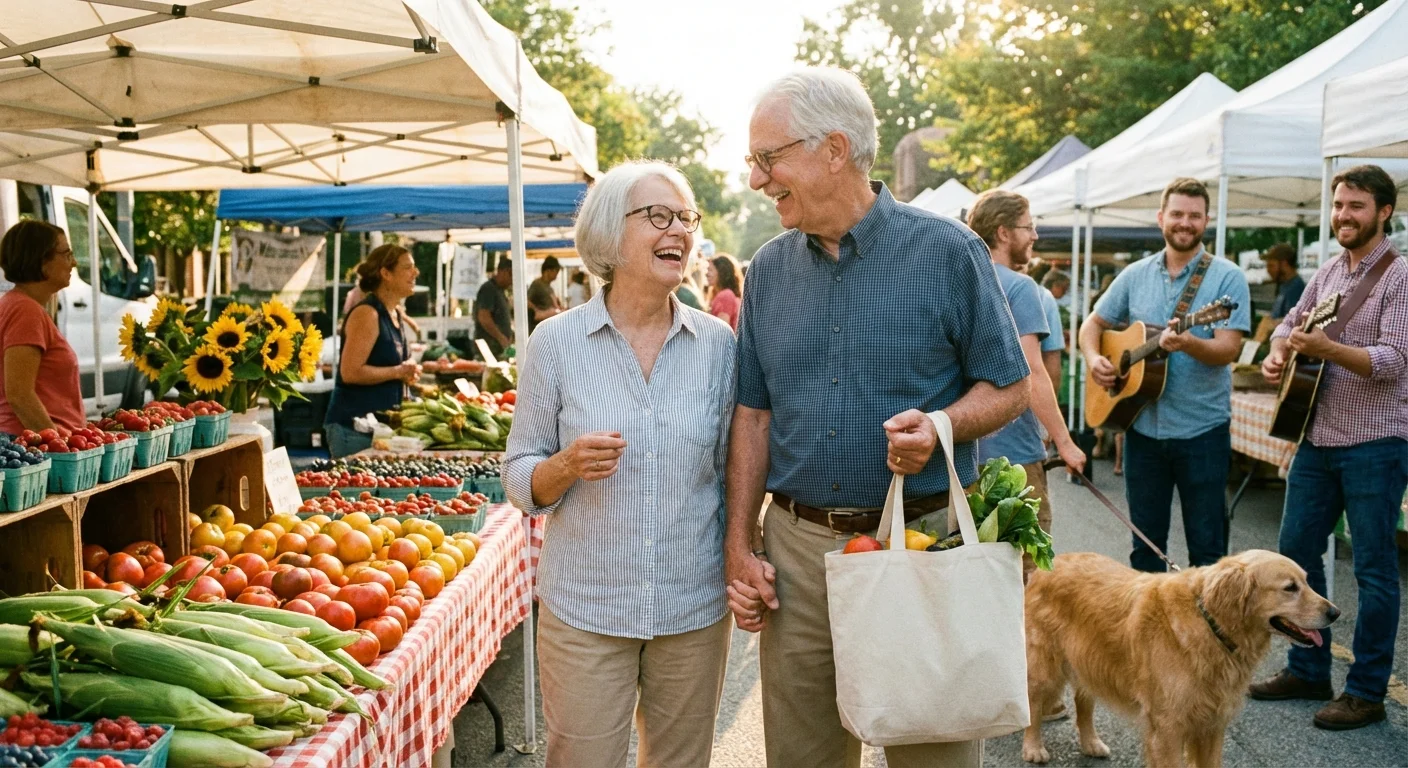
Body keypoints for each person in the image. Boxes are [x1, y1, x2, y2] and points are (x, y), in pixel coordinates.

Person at [724, 67, 1030, 768]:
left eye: (767, 159)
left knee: (934, 754)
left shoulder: (948, 252)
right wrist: (738, 545)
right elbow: (753, 417)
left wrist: (943, 427)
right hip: (800, 556)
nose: (754, 179)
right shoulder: (767, 270)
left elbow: (1010, 386)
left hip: (921, 543)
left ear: (834, 150)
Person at [502, 161, 736, 768]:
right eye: (658, 216)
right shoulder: (555, 343)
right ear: (610, 234)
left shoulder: (718, 344)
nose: (679, 231)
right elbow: (519, 476)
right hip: (587, 607)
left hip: (692, 608)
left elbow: (735, 469)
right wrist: (566, 465)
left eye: (686, 218)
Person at [1251, 165, 1407, 731]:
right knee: (1296, 557)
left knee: (1373, 569)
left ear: (1384, 211)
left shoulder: (1399, 277)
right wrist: (1277, 353)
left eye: (1357, 206)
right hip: (1316, 440)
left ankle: (1365, 692)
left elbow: (1393, 361)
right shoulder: (1327, 272)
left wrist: (1329, 348)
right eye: (1339, 204)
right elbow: (1288, 326)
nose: (1344, 215)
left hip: (1376, 443)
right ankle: (1308, 668)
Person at [1079, 177, 1251, 572]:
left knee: (1209, 555)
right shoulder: (1135, 274)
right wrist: (1094, 359)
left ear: (1206, 220)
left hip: (1201, 432)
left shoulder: (1227, 278)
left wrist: (1190, 343)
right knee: (1145, 550)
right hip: (1142, 430)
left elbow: (1228, 349)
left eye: (1194, 215)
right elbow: (1093, 324)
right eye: (1177, 214)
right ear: (1161, 218)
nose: (1185, 222)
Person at [967, 190, 1086, 578]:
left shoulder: (954, 280)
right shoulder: (1022, 289)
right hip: (1013, 455)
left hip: (958, 453)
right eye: (1028, 227)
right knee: (1025, 574)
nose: (1034, 236)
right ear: (1003, 232)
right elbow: (1032, 372)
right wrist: (1065, 442)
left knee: (967, 567)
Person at [323, 245, 422, 458]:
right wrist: (398, 371)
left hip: (378, 430)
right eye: (408, 267)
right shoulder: (367, 314)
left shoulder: (394, 312)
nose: (416, 273)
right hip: (354, 429)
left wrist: (408, 372)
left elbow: (391, 364)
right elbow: (350, 372)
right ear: (385, 273)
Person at [0, 220, 85, 434]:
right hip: (31, 446)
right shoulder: (25, 311)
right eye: (66, 254)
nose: (73, 262)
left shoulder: (19, 305)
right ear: (41, 261)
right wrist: (57, 443)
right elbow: (19, 394)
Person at [474, 258, 514, 357]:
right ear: (503, 271)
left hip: (499, 350)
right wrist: (501, 337)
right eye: (511, 275)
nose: (512, 280)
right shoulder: (488, 289)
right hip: (489, 349)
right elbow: (484, 317)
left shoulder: (500, 291)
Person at [1263, 242, 1307, 320]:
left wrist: (1271, 324)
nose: (1268, 270)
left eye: (1271, 266)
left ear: (1284, 264)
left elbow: (1294, 321)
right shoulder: (1284, 285)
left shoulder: (1296, 287)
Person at [527, 255, 565, 333]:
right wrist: (537, 310)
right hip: (539, 328)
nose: (557, 275)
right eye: (556, 271)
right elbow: (526, 301)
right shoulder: (537, 284)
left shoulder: (549, 287)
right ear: (548, 270)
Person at [706, 253, 743, 331]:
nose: (707, 274)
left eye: (710, 270)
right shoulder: (727, 294)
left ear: (722, 273)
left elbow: (721, 331)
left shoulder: (726, 296)